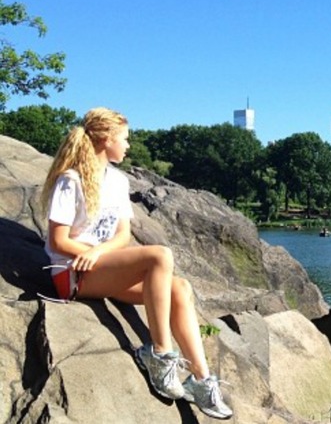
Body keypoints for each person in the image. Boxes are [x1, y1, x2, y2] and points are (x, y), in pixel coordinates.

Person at [40, 107, 232, 419]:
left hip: (102, 268)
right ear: (106, 139)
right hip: (72, 273)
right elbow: (58, 240)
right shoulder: (70, 180)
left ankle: (201, 380)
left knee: (180, 288)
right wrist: (90, 253)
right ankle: (159, 354)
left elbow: (123, 236)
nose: (128, 145)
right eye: (125, 139)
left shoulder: (117, 181)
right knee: (159, 255)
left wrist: (99, 253)